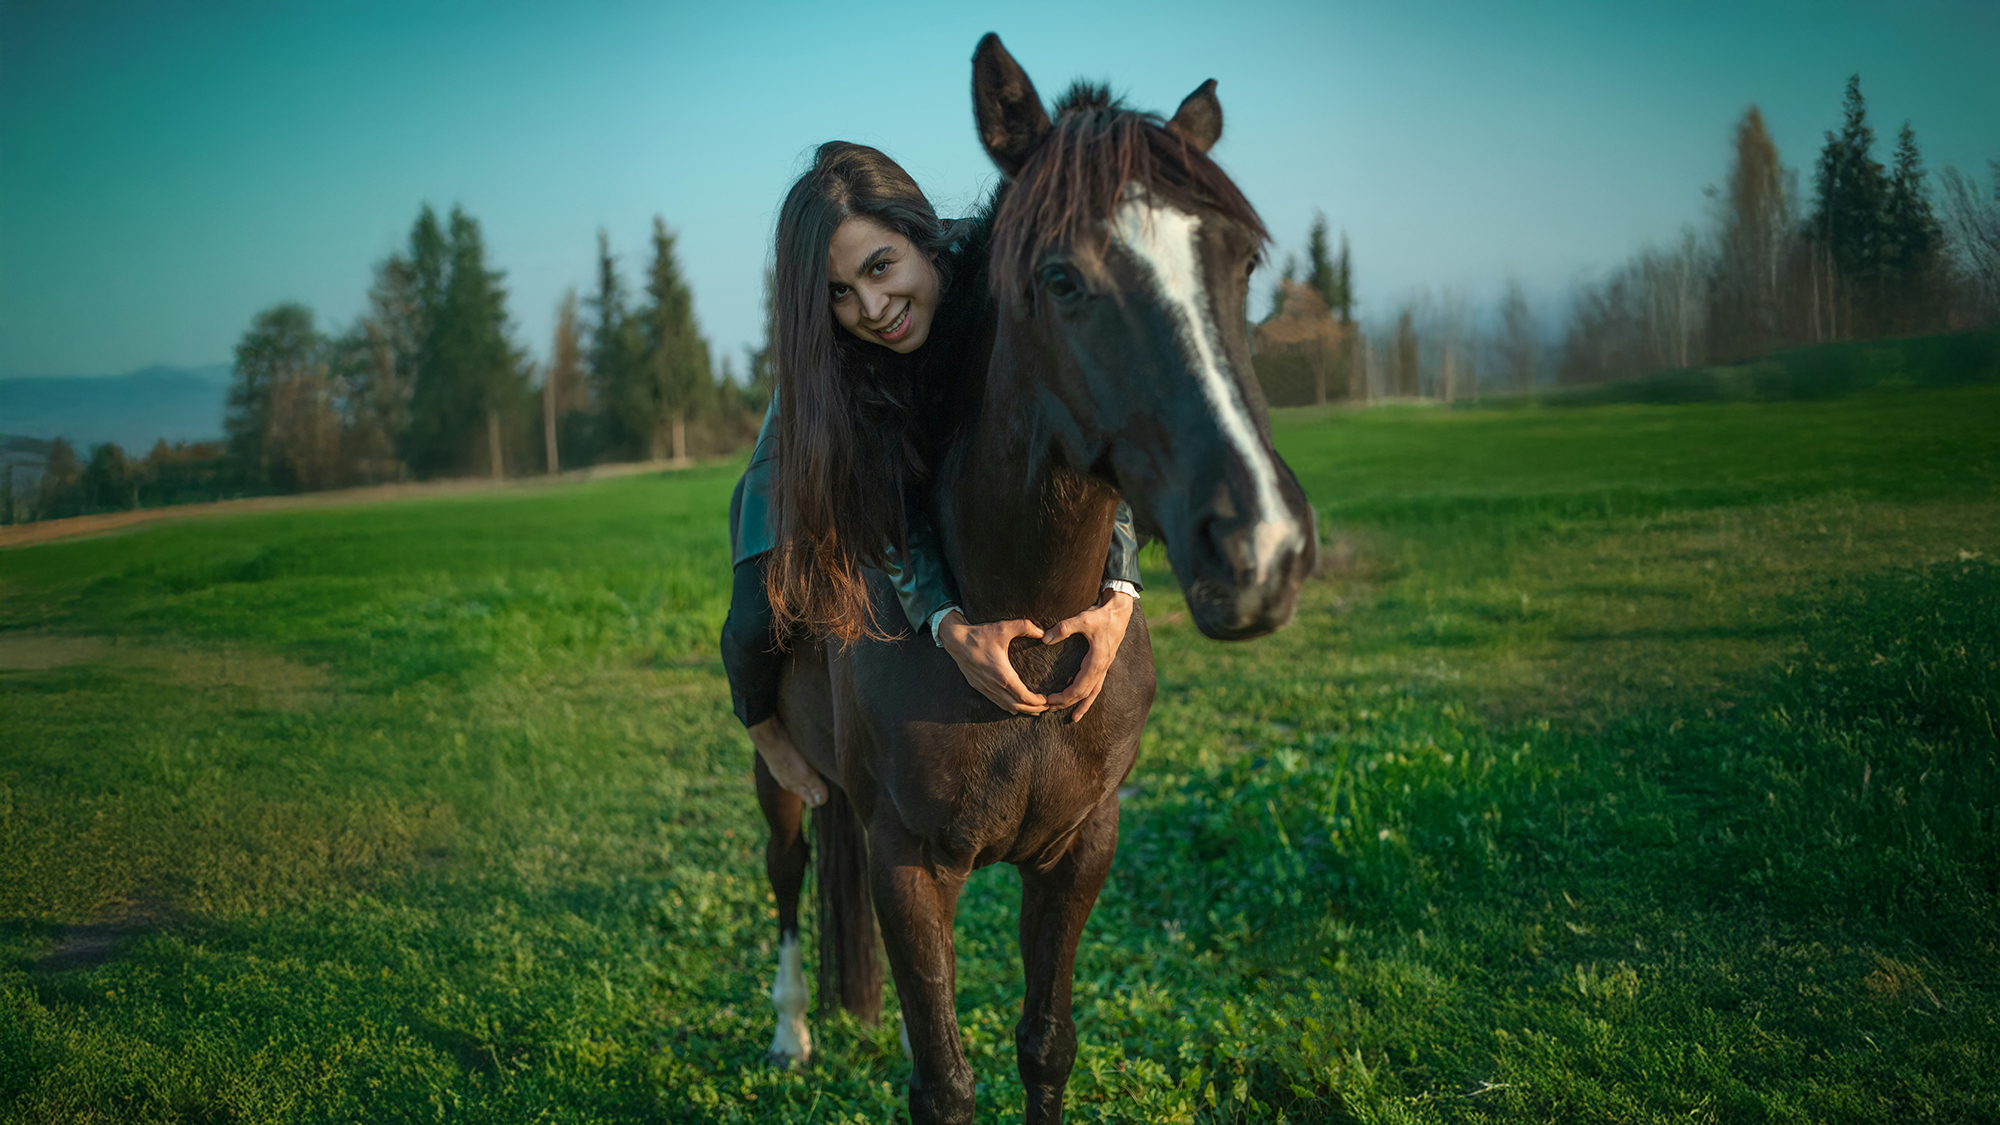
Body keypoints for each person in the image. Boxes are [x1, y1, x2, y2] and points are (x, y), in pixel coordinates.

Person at [720, 141, 1143, 807]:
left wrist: (1121, 585)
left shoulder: (995, 281)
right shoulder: (845, 359)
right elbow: (886, 499)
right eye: (841, 293)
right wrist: (945, 622)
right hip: (818, 426)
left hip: (930, 421)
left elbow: (1083, 416)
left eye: (880, 266)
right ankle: (765, 732)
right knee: (752, 618)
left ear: (924, 236)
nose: (875, 307)